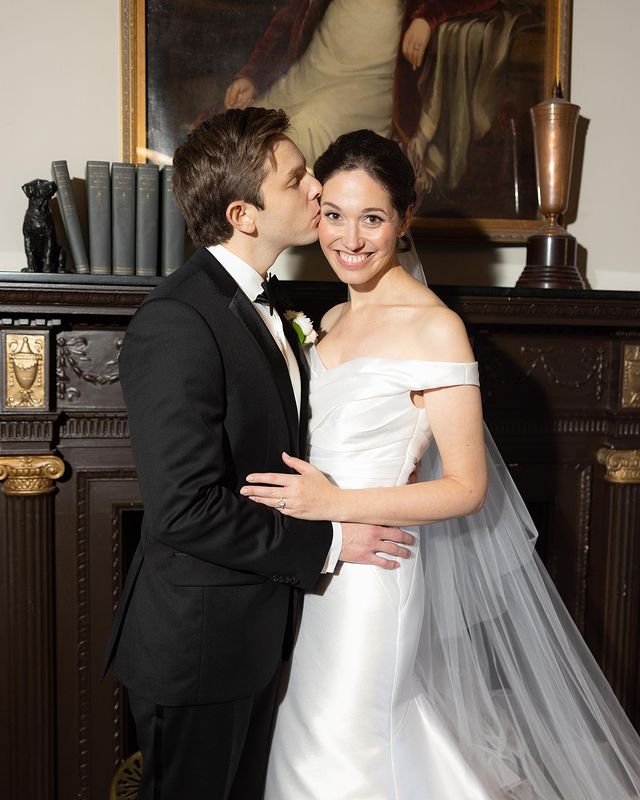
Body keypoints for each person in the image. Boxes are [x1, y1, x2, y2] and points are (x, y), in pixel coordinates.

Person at [240, 129, 640, 799]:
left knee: (347, 753)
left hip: (374, 579)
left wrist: (337, 505)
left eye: (372, 217)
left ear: (404, 219)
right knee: (313, 742)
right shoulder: (332, 317)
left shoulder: (435, 328)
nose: (350, 237)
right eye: (334, 215)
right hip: (317, 566)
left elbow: (466, 487)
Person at [101, 108, 415, 800]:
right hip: (198, 650)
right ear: (243, 213)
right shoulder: (179, 321)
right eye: (298, 178)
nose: (318, 190)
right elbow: (184, 510)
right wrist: (330, 542)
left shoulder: (274, 304)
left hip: (254, 639)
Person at [223, 0, 499, 176]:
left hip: (368, 79)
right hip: (316, 68)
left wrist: (427, 17)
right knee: (259, 129)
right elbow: (290, 19)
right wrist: (251, 77)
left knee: (307, 126)